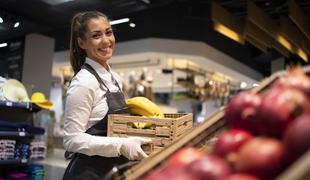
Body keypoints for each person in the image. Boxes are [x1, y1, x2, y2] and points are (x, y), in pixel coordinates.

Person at [62, 11, 151, 180]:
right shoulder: (84, 82)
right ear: (82, 43)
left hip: (112, 171)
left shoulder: (115, 79)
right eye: (96, 36)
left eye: (108, 32)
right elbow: (71, 139)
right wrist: (122, 145)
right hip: (88, 173)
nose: (106, 41)